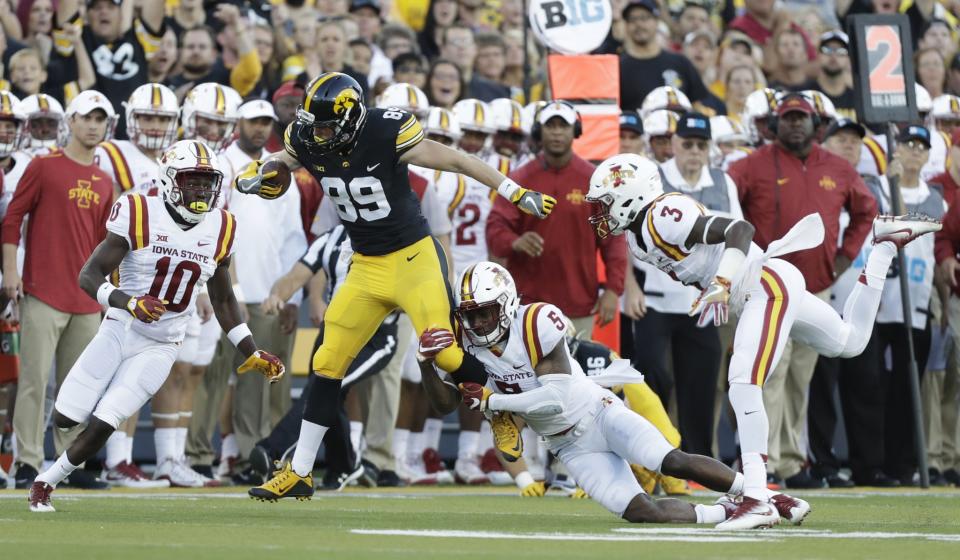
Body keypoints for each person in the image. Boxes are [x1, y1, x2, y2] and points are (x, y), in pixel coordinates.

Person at [235, 71, 556, 500]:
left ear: (351, 119)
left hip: (413, 258)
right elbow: (281, 162)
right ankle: (300, 471)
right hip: (365, 265)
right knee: (327, 362)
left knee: (441, 349)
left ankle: (500, 407)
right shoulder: (309, 135)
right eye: (315, 126)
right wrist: (258, 173)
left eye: (328, 125)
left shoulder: (385, 130)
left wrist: (513, 190)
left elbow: (457, 159)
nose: (319, 134)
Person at [586, 151, 941, 526]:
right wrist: (714, 286)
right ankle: (884, 245)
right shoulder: (638, 239)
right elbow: (705, 259)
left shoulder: (663, 214)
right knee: (847, 342)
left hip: (765, 285)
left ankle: (755, 497)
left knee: (742, 382)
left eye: (606, 203)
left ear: (632, 194)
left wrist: (722, 282)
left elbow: (740, 231)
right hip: (760, 287)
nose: (601, 213)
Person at [26, 139, 285, 512]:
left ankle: (45, 482)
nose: (200, 190)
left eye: (207, 182)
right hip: (120, 328)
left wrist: (251, 349)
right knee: (67, 416)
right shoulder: (138, 211)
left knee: (106, 420)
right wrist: (129, 302)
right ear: (168, 180)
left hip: (162, 344)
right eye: (191, 181)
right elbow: (89, 275)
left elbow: (224, 299)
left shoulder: (222, 226)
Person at [417, 261, 748, 526]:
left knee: (671, 461)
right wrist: (426, 366)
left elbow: (554, 399)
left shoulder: (534, 323)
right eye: (469, 314)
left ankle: (754, 493)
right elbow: (446, 404)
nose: (476, 323)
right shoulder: (465, 344)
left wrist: (494, 402)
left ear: (505, 304)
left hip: (599, 414)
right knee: (640, 511)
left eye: (484, 312)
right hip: (568, 446)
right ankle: (724, 513)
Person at [728, 94, 878, 488]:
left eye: (802, 118)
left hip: (815, 288)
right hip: (766, 288)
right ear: (775, 124)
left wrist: (846, 256)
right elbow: (728, 207)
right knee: (770, 372)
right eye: (788, 118)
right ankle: (768, 462)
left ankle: (793, 462)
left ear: (817, 124)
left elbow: (868, 210)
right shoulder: (750, 165)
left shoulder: (839, 168)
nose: (795, 124)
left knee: (800, 378)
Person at [2, 90, 117, 490]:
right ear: (70, 120)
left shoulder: (106, 181)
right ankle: (27, 461)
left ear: (107, 125)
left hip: (86, 298)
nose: (92, 125)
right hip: (42, 291)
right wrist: (11, 273)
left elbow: (108, 245)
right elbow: (12, 219)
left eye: (100, 119)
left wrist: (108, 296)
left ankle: (66, 467)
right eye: (86, 117)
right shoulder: (43, 166)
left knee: (79, 385)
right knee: (34, 381)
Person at [250, 224, 399, 491]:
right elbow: (295, 277)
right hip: (334, 332)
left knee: (324, 389)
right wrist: (277, 295)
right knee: (328, 395)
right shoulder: (332, 238)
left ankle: (272, 450)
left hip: (374, 335)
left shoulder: (394, 236)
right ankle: (344, 465)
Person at [631, 113, 741, 459]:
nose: (694, 151)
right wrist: (628, 286)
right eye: (688, 143)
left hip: (705, 297)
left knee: (702, 382)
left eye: (701, 145)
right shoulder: (654, 178)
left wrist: (728, 284)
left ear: (709, 148)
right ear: (673, 143)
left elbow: (739, 230)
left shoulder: (723, 181)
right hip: (655, 297)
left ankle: (698, 459)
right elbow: (626, 235)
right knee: (653, 376)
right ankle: (650, 454)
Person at [93, 83, 182, 488]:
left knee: (136, 372)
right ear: (131, 118)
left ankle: (121, 458)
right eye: (147, 116)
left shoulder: (180, 156)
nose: (154, 124)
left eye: (162, 118)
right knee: (110, 371)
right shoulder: (113, 154)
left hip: (160, 282)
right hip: (118, 275)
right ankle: (115, 458)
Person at [487, 101, 626, 339]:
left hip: (578, 304)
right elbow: (495, 228)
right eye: (550, 125)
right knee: (526, 374)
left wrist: (613, 290)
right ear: (539, 131)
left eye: (564, 125)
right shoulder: (520, 178)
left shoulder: (594, 181)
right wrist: (515, 241)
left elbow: (613, 239)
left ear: (576, 131)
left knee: (576, 374)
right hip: (526, 304)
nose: (557, 132)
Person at [51, 0, 165, 136]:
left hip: (137, 140)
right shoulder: (75, 39)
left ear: (121, 13)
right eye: (97, 8)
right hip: (90, 141)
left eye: (110, 7)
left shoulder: (139, 40)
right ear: (87, 15)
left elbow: (155, 8)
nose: (103, 11)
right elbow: (66, 16)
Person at [619, 0, 708, 113]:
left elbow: (697, 106)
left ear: (657, 21)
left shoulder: (680, 63)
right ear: (626, 25)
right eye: (632, 19)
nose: (639, 24)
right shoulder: (618, 67)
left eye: (644, 18)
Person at [813, 31, 855, 120]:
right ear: (818, 55)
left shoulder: (858, 100)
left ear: (849, 58)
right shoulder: (806, 94)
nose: (833, 56)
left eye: (841, 51)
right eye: (827, 50)